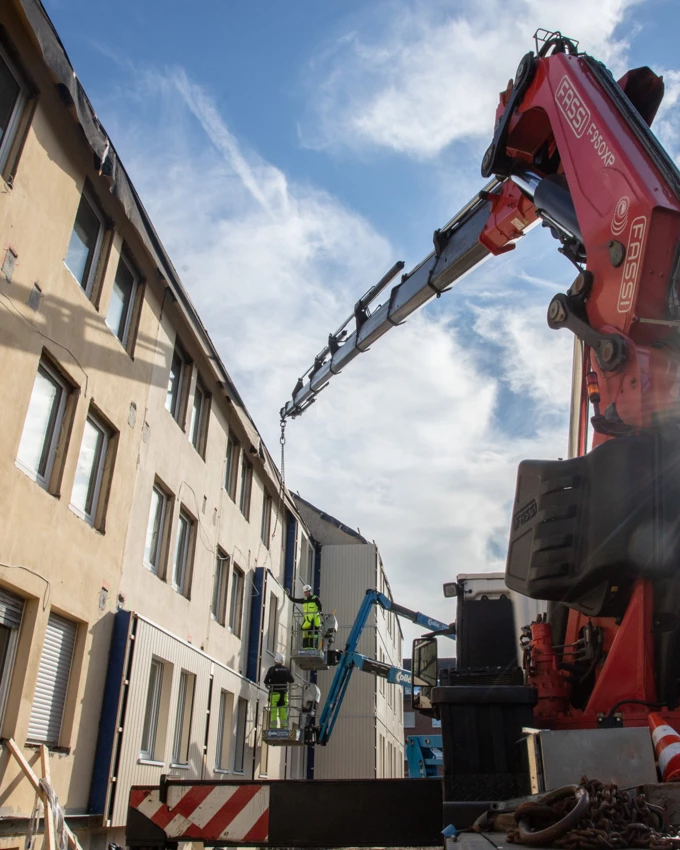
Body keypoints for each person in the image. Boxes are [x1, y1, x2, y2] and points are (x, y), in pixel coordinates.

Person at [264, 652, 294, 728]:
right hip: (284, 694)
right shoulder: (286, 669)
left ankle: (273, 726)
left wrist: (271, 683)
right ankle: (284, 726)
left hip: (274, 693)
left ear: (276, 660)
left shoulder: (272, 669)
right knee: (283, 710)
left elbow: (266, 681)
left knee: (274, 710)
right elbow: (291, 680)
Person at [288, 584, 323, 649]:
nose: (306, 593)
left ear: (310, 591)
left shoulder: (315, 599)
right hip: (306, 621)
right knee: (305, 635)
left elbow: (320, 607)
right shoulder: (304, 600)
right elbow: (295, 600)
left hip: (314, 621)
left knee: (313, 635)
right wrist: (288, 595)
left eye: (307, 592)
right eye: (305, 592)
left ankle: (313, 648)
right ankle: (306, 649)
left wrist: (321, 613)